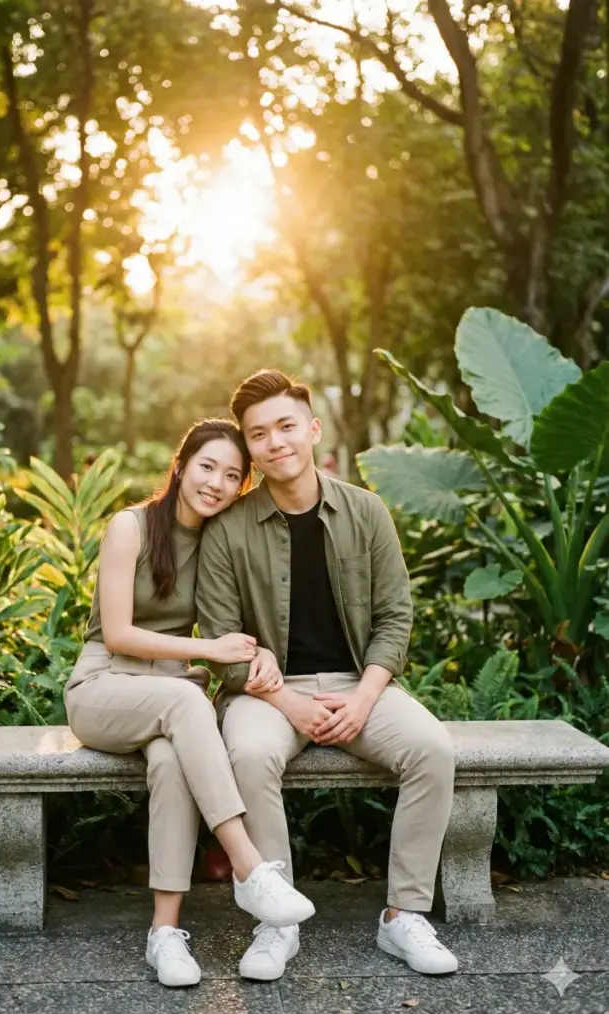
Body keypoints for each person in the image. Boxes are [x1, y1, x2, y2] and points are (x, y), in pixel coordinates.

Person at [196, 371, 459, 982]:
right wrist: (287, 702)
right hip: (267, 691)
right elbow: (221, 643)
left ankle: (404, 915)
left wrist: (366, 698)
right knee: (251, 755)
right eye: (258, 434)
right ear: (250, 447)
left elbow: (396, 616)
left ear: (313, 429)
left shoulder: (367, 512)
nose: (274, 442)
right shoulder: (227, 530)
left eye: (286, 426)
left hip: (359, 683)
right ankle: (276, 923)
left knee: (432, 750)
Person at [64, 419, 315, 989]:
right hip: (103, 686)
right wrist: (206, 649)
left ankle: (165, 935)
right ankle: (249, 867)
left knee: (173, 763)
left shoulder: (220, 540)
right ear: (180, 466)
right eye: (207, 467)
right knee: (185, 699)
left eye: (232, 475)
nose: (217, 483)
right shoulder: (130, 527)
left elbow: (239, 624)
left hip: (169, 695)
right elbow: (119, 632)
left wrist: (265, 656)